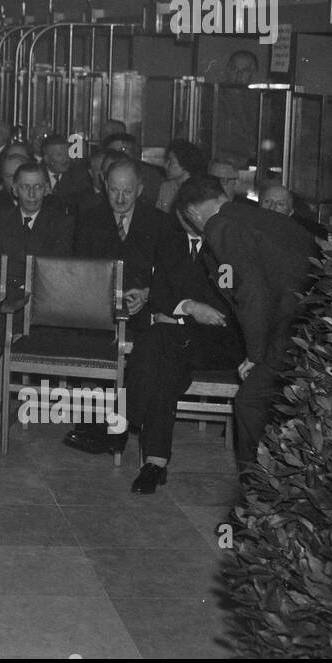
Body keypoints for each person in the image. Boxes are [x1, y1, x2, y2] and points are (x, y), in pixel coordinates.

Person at [176, 175, 317, 477]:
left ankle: (258, 495)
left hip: (297, 326)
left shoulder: (219, 225)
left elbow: (251, 291)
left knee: (250, 402)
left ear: (191, 213)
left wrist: (255, 355)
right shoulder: (253, 216)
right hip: (310, 322)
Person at [116, 206, 243, 493]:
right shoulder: (169, 243)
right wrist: (190, 307)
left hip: (215, 344)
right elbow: (159, 296)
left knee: (158, 338)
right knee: (163, 366)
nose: (191, 219)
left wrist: (180, 309)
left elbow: (225, 309)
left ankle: (121, 419)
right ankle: (154, 464)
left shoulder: (227, 247)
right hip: (175, 341)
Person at [66, 157, 177, 454]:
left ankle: (120, 426)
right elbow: (81, 271)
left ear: (140, 189)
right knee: (86, 338)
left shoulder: (160, 222)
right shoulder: (90, 218)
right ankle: (91, 424)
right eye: (114, 190)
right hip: (100, 307)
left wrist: (147, 293)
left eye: (127, 191)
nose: (120, 198)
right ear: (105, 186)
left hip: (144, 310)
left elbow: (171, 274)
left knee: (148, 349)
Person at [0, 159, 74, 299]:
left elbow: (54, 266)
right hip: (6, 298)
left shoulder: (61, 223)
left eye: (37, 187)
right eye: (25, 187)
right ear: (14, 189)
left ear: (46, 189)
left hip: (46, 298)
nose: (31, 194)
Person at [259, 181, 327, 240]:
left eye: (280, 204)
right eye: (267, 201)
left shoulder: (301, 235)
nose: (272, 207)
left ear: (290, 212)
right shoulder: (250, 227)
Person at [155, 138, 208, 213]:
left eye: (171, 162)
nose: (165, 165)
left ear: (185, 164)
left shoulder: (198, 190)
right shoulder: (166, 187)